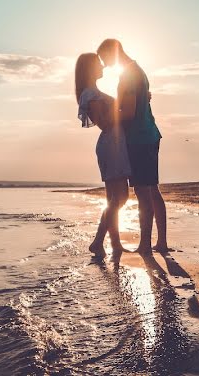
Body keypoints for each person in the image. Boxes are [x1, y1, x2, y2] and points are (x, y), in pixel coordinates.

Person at [96, 39, 168, 254]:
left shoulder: (128, 75)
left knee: (143, 191)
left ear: (113, 52)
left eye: (105, 58)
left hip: (139, 139)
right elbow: (139, 103)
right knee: (152, 189)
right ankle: (160, 242)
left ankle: (145, 245)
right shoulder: (138, 71)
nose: (105, 64)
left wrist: (109, 115)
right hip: (149, 134)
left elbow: (128, 112)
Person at [75, 52, 131, 258]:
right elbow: (104, 122)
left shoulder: (94, 92)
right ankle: (98, 241)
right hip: (112, 145)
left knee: (113, 199)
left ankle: (115, 244)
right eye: (98, 64)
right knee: (121, 197)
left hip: (115, 143)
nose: (103, 67)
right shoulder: (90, 94)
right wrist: (127, 111)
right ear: (89, 68)